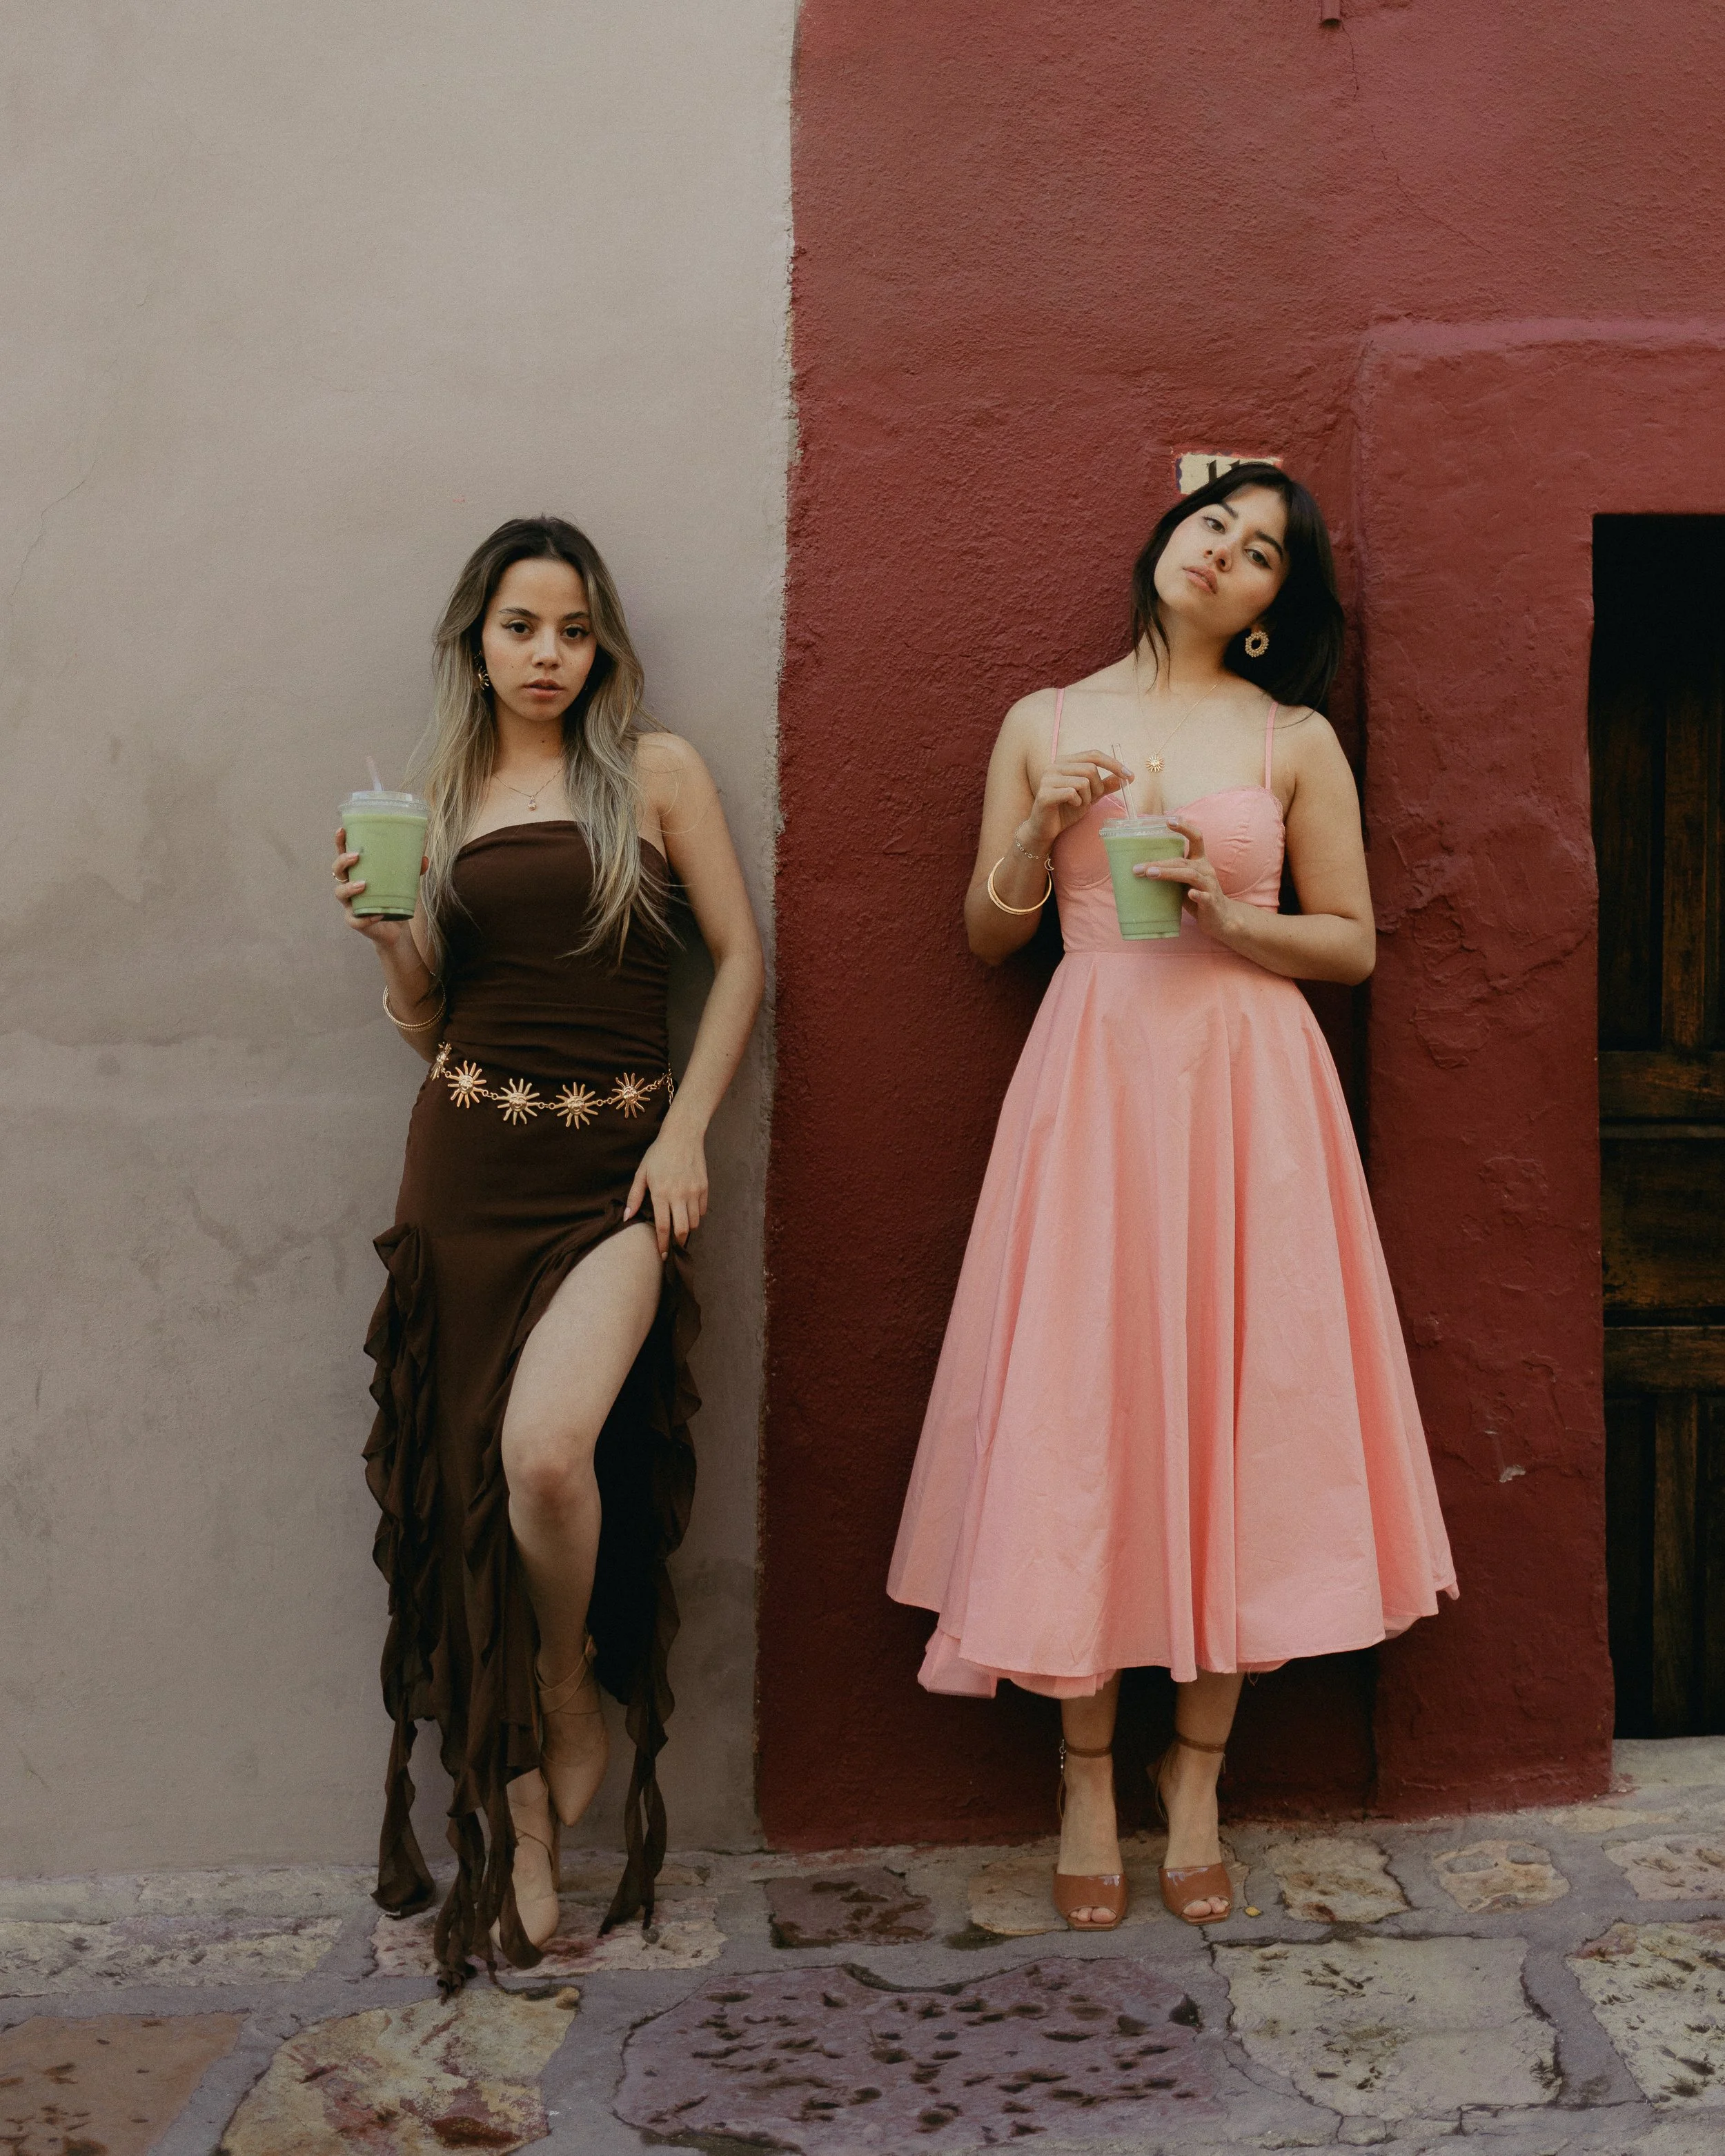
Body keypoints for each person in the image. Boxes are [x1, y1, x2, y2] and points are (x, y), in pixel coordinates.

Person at [887, 465, 1455, 1932]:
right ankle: (1083, 1771)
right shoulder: (1044, 719)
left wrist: (1228, 911)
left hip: (1246, 1084)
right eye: (1215, 525)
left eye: (1263, 551)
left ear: (1277, 604)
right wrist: (1037, 829)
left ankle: (1193, 1776)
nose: (1227, 553)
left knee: (1235, 1404)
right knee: (1085, 1399)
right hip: (1090, 1079)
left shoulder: (1289, 736)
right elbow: (982, 929)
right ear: (1161, 541)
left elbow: (1351, 946)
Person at [334, 516, 762, 1988]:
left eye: (572, 629)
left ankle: (566, 1683)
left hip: (612, 1177)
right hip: (464, 1163)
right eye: (520, 626)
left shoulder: (655, 771)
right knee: (466, 1493)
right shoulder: (441, 791)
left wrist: (686, 1131)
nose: (547, 655)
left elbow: (739, 962)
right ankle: (519, 1834)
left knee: (546, 1460)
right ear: (477, 639)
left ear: (601, 644)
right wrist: (388, 938)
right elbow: (424, 1017)